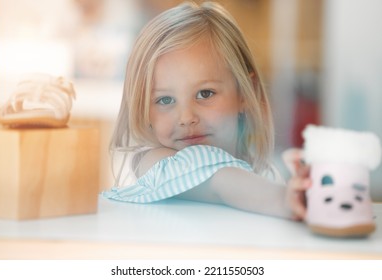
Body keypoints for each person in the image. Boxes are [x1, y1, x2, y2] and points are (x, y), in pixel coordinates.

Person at [104, 1, 311, 220]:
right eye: (165, 100)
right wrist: (282, 200)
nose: (186, 118)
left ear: (245, 91)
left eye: (205, 94)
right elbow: (217, 181)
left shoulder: (265, 171)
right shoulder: (151, 163)